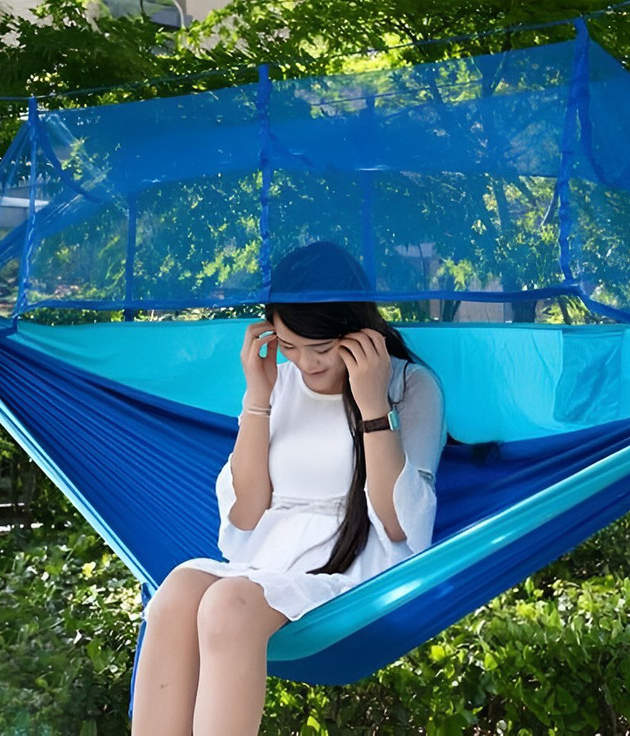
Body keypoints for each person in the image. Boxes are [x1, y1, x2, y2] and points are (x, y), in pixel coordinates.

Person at [130, 242, 446, 736]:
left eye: (320, 350)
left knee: (227, 605)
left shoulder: (410, 386)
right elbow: (247, 514)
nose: (305, 364)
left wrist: (371, 406)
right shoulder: (277, 381)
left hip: (356, 572)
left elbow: (399, 523)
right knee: (177, 592)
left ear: (357, 332)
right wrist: (258, 396)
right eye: (289, 346)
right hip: (269, 561)